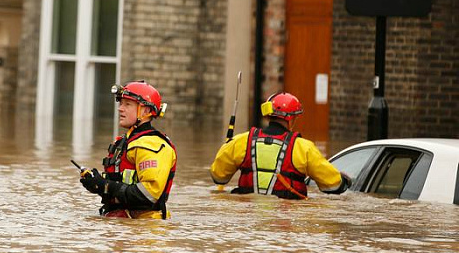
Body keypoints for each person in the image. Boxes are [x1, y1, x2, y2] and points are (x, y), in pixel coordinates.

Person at [210, 92, 351, 199]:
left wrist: (226, 147)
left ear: (267, 116)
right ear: (292, 119)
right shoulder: (304, 148)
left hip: (248, 217)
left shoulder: (241, 141)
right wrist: (344, 181)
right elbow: (333, 185)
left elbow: (218, 176)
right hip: (285, 222)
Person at [79, 81, 177, 219]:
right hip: (124, 223)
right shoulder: (127, 141)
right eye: (121, 103)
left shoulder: (153, 145)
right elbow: (122, 186)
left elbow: (148, 195)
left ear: (146, 111)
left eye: (127, 104)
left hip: (145, 231)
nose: (120, 108)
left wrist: (106, 186)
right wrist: (97, 183)